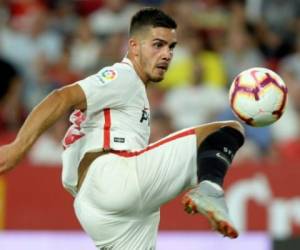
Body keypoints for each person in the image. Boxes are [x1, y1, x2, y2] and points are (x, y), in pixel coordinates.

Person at [0, 7, 245, 249]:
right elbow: (60, 97)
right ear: (134, 47)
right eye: (158, 44)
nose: (167, 55)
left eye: (171, 47)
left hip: (96, 208)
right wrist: (18, 147)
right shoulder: (122, 76)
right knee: (227, 130)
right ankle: (210, 188)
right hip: (111, 176)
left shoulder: (134, 95)